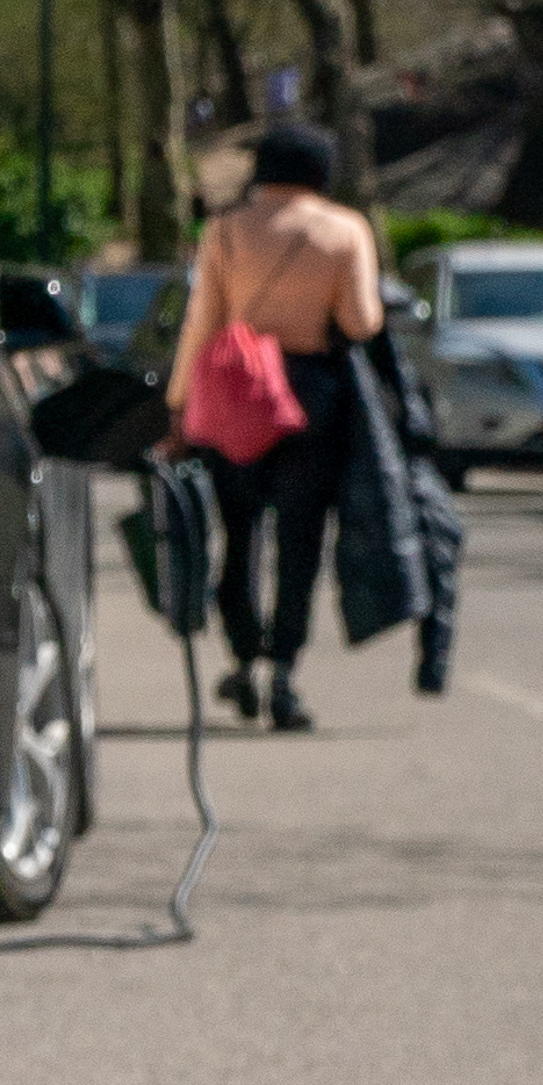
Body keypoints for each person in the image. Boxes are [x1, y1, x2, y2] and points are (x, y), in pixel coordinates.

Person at [168, 120, 388, 728]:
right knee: (300, 543)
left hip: (236, 391)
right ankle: (286, 673)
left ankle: (243, 658)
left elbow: (202, 320)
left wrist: (179, 404)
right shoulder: (346, 229)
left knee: (237, 536)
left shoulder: (225, 231)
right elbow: (363, 320)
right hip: (310, 398)